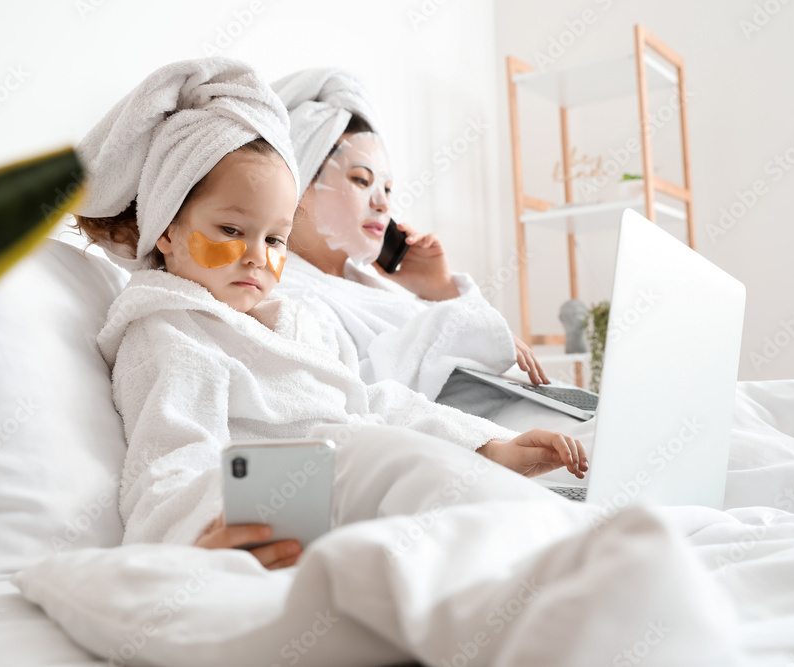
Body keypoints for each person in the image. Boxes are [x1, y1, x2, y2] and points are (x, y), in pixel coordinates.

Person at [71, 59, 588, 572]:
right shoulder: (170, 332)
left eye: (274, 238)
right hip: (292, 507)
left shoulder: (294, 321)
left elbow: (371, 402)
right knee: (436, 495)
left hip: (358, 486)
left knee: (492, 517)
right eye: (231, 231)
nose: (258, 255)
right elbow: (168, 458)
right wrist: (201, 533)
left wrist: (486, 445)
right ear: (165, 228)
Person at [270, 68, 550, 419]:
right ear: (296, 186)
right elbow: (353, 401)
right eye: (361, 180)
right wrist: (452, 323)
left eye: (387, 188)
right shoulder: (288, 299)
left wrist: (442, 289)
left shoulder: (375, 287)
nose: (384, 204)